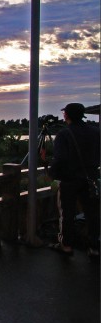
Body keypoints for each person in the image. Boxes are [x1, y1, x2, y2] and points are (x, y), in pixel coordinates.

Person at [48, 103, 100, 258]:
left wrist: (52, 173)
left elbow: (60, 159)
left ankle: (66, 245)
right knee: (92, 214)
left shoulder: (64, 134)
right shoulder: (96, 132)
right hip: (91, 179)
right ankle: (94, 247)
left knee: (67, 213)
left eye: (65, 114)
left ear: (67, 116)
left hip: (69, 180)